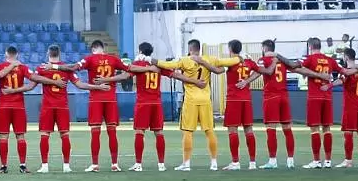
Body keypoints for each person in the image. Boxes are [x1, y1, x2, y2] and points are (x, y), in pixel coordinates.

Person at [158, 40, 235, 172]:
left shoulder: (185, 60)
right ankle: (214, 163)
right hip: (205, 100)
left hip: (191, 100)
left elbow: (168, 65)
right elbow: (227, 62)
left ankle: (186, 163)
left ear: (190, 48)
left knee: (188, 131)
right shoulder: (209, 59)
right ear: (199, 49)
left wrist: (153, 61)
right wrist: (239, 58)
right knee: (209, 131)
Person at [60, 39, 131, 172]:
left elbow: (73, 68)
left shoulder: (89, 59)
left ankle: (95, 164)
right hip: (111, 99)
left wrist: (55, 67)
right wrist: (109, 80)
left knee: (95, 133)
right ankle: (115, 164)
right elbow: (127, 73)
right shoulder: (113, 59)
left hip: (95, 99)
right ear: (103, 48)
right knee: (112, 132)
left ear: (93, 49)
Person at [124, 42, 189, 172]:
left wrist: (107, 80)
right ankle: (161, 164)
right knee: (159, 132)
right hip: (156, 102)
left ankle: (138, 164)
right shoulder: (157, 65)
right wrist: (193, 81)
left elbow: (126, 74)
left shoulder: (138, 64)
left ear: (140, 51)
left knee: (139, 132)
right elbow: (175, 75)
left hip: (143, 102)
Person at [287, 37, 339, 168]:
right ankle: (328, 161)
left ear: (310, 46)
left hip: (314, 97)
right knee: (326, 128)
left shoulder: (309, 59)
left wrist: (314, 74)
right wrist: (330, 84)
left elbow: (294, 68)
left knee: (315, 129)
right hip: (327, 96)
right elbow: (344, 73)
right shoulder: (330, 60)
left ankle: (316, 161)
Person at [29, 45, 80, 173]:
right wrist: (96, 87)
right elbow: (80, 84)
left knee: (45, 135)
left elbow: (32, 80)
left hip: (48, 106)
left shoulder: (42, 68)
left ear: (48, 53)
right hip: (62, 105)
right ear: (60, 53)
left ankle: (45, 166)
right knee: (65, 135)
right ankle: (66, 166)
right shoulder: (66, 68)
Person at [252, 40, 297, 169]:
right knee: (287, 129)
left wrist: (246, 81)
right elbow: (295, 66)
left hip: (271, 97)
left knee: (271, 130)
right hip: (284, 96)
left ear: (264, 48)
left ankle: (272, 160)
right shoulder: (281, 60)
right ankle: (290, 160)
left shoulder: (263, 59)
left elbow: (258, 73)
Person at [0, 46, 33, 174]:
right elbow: (33, 83)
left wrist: (13, 90)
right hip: (18, 106)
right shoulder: (22, 67)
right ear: (17, 54)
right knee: (20, 136)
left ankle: (3, 166)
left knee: (4, 136)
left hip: (3, 106)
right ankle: (23, 165)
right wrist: (14, 64)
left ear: (6, 54)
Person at [221, 40, 261, 170]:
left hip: (233, 99)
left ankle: (235, 162)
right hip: (246, 99)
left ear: (230, 49)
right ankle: (252, 163)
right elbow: (260, 71)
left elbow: (217, 68)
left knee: (232, 130)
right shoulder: (248, 61)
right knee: (248, 130)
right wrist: (247, 81)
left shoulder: (230, 61)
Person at [335, 46, 358, 168]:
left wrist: (328, 85)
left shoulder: (347, 71)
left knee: (348, 133)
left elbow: (339, 81)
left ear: (345, 57)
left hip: (350, 107)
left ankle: (348, 161)